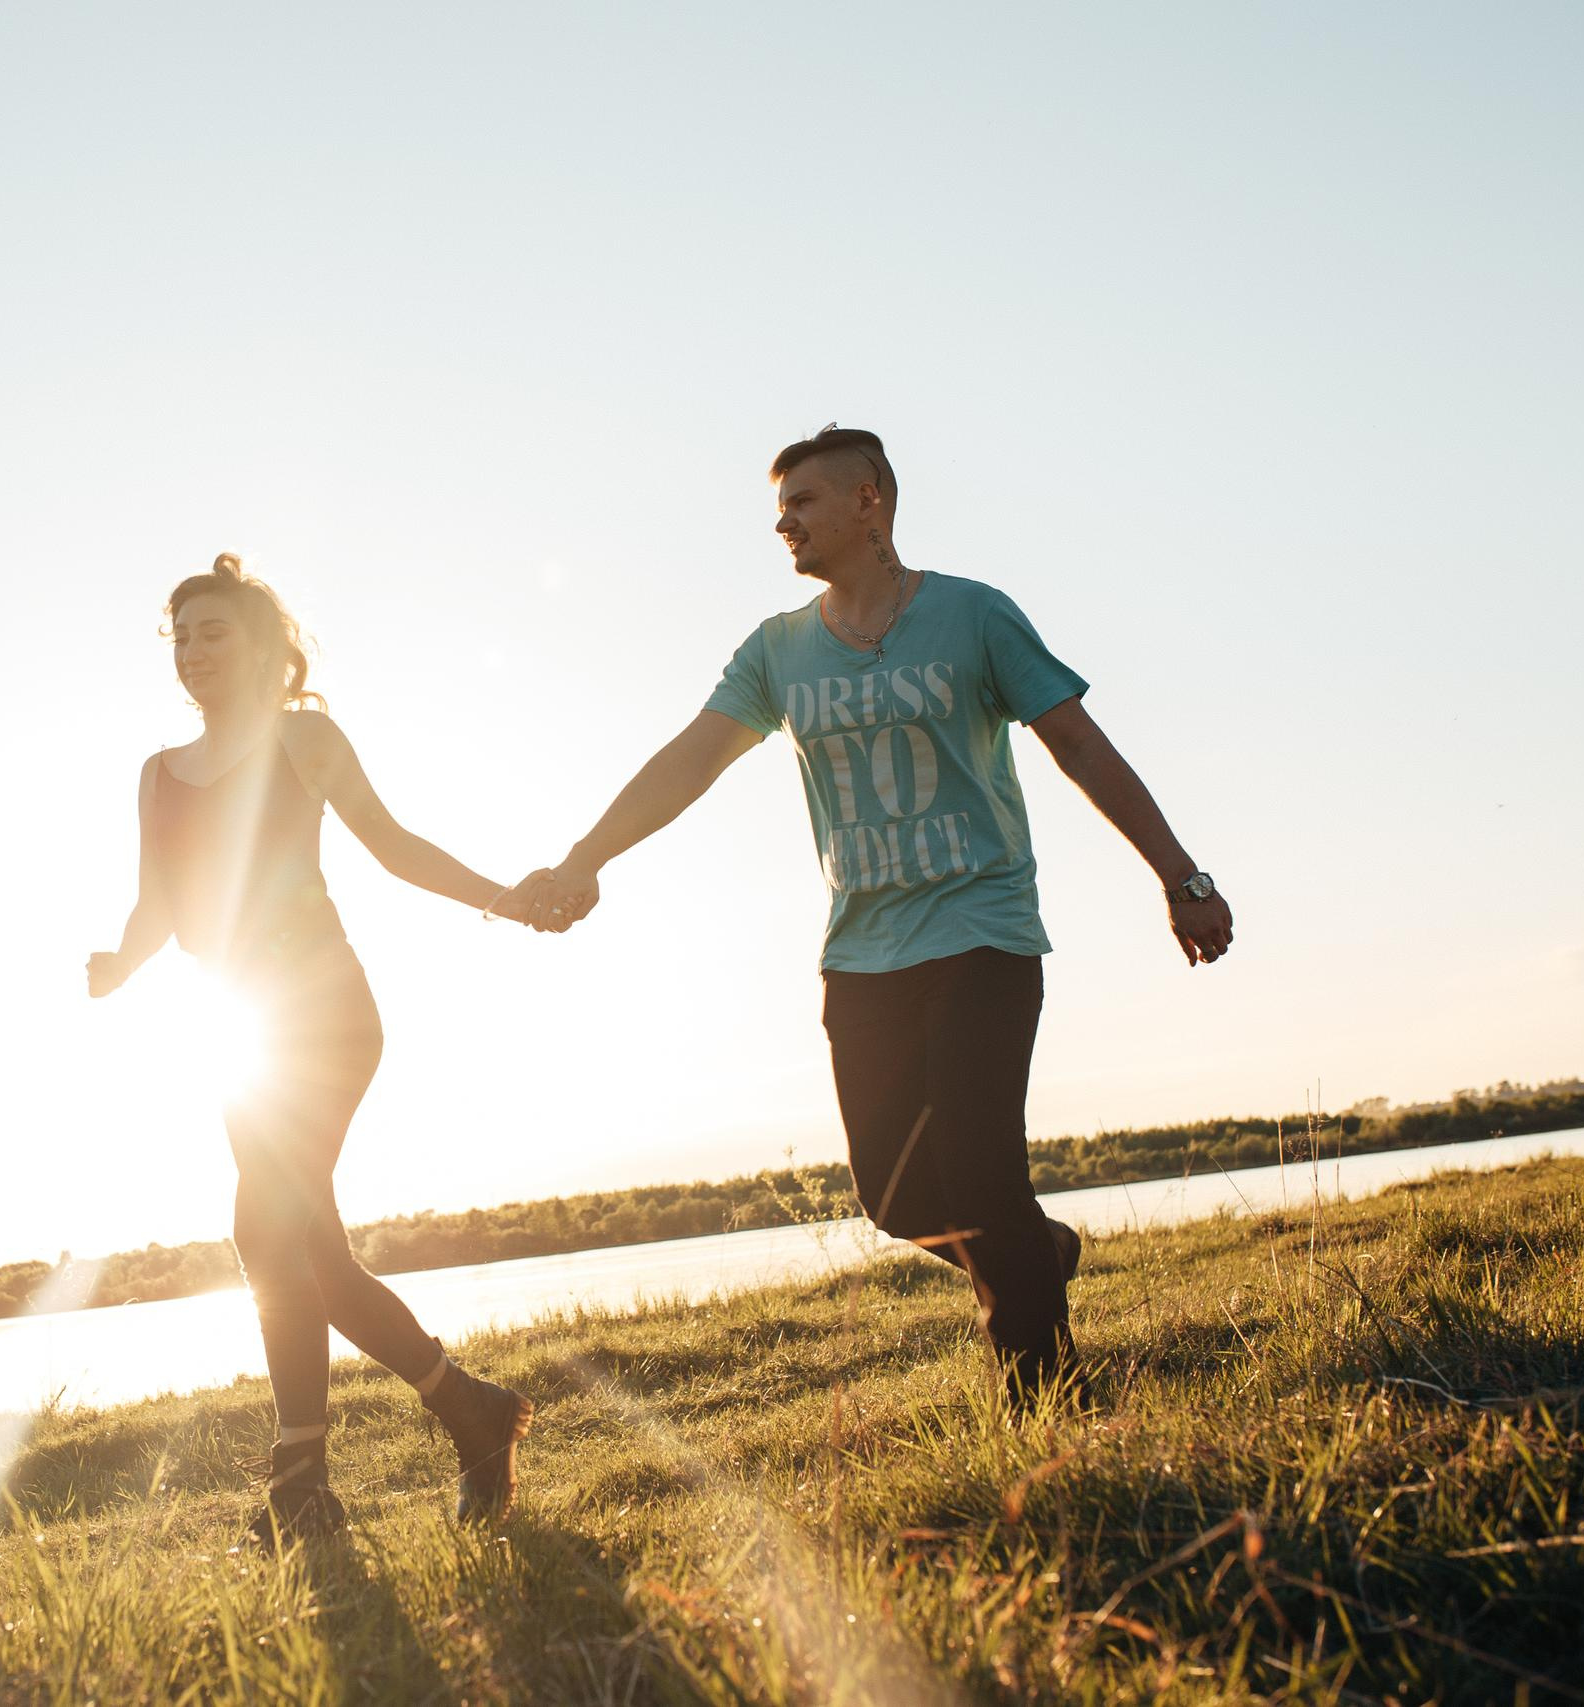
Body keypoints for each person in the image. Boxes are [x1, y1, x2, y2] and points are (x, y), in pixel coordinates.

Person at [514, 426, 1234, 1404]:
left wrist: (1180, 876)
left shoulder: (973, 616)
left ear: (868, 503)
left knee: (982, 1177)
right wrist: (583, 860)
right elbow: (688, 760)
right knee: (895, 1200)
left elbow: (1076, 742)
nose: (783, 524)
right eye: (779, 509)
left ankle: (1046, 1406)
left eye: (802, 502)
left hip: (981, 928)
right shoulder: (778, 650)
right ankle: (1036, 1251)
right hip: (860, 951)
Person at [88, 553, 535, 1543]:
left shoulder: (303, 740)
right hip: (236, 1023)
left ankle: (299, 1484)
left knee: (262, 1233)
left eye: (215, 632)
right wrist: (120, 963)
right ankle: (471, 1410)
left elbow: (395, 845)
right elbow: (156, 903)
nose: (195, 652)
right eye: (182, 636)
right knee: (312, 1255)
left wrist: (501, 897)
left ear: (260, 646)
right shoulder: (157, 775)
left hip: (321, 1013)